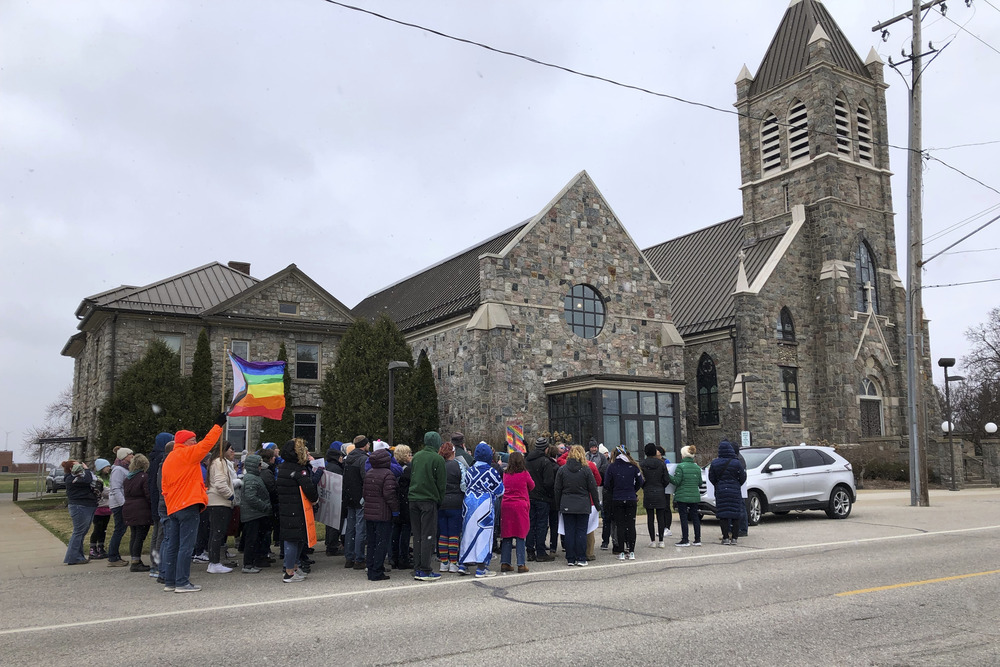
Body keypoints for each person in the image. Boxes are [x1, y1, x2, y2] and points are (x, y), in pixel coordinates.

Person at [160, 415, 226, 593]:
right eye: (193, 440)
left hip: (174, 506)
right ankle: (182, 582)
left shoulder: (170, 458)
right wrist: (218, 426)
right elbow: (207, 444)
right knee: (186, 546)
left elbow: (164, 487)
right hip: (188, 504)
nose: (196, 443)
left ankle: (170, 581)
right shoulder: (187, 454)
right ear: (185, 442)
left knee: (173, 545)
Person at [276, 438, 319, 583]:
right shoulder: (298, 470)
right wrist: (315, 499)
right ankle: (289, 571)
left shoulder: (283, 468)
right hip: (297, 508)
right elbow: (309, 489)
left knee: (295, 538)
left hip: (287, 507)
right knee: (293, 540)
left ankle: (293, 567)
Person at [459, 442, 504, 578]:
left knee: (468, 532)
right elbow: (500, 490)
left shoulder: (470, 470)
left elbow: (466, 484)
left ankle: (463, 563)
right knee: (484, 533)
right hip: (484, 503)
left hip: (469, 502)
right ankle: (481, 567)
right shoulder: (491, 471)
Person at [554, 445, 601, 567]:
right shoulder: (586, 470)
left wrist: (558, 504)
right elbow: (593, 488)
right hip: (582, 504)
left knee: (569, 532)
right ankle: (581, 557)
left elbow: (557, 489)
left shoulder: (562, 470)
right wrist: (597, 504)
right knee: (581, 531)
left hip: (567, 504)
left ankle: (570, 558)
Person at [409, 431, 446, 582]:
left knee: (417, 535)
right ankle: (425, 569)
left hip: (413, 499)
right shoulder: (437, 459)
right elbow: (441, 484)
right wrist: (439, 499)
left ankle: (417, 567)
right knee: (427, 536)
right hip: (428, 500)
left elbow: (412, 475)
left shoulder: (417, 456)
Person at [363, 445, 398, 582]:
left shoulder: (369, 473)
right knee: (381, 543)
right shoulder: (388, 474)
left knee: (371, 542)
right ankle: (377, 570)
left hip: (370, 512)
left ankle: (371, 568)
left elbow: (365, 493)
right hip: (382, 513)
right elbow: (389, 494)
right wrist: (395, 509)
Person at [604, 445, 643, 560]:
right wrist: (633, 490)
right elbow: (640, 482)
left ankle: (621, 551)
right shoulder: (633, 466)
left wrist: (615, 489)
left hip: (617, 498)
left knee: (620, 525)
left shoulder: (611, 467)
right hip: (631, 498)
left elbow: (606, 484)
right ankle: (631, 551)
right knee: (631, 524)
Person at [499, 450, 534, 573]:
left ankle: (505, 562)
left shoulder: (506, 474)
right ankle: (521, 564)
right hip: (520, 505)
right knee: (520, 534)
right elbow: (532, 485)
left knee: (507, 534)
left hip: (507, 505)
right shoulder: (524, 474)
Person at [205, 441, 236, 574]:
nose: (232, 452)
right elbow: (220, 484)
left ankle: (213, 561)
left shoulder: (214, 461)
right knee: (218, 533)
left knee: (214, 533)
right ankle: (214, 562)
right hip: (220, 502)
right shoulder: (220, 462)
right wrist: (231, 496)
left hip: (214, 501)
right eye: (230, 449)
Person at [708, 440, 747, 546]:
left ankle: (725, 537)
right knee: (735, 514)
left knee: (723, 515)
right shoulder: (736, 462)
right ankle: (734, 538)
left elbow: (711, 477)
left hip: (721, 491)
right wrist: (737, 484)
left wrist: (718, 484)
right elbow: (743, 477)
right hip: (734, 490)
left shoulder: (715, 463)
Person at [525, 437, 556, 563]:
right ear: (546, 449)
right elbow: (549, 482)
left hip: (530, 495)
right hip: (542, 497)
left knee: (531, 524)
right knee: (542, 524)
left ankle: (530, 551)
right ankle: (541, 552)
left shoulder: (527, 460)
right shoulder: (545, 462)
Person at [342, 435, 370, 570]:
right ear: (364, 445)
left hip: (349, 496)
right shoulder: (363, 459)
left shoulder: (348, 459)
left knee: (350, 528)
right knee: (360, 528)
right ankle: (359, 558)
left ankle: (349, 557)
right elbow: (365, 478)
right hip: (359, 496)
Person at [240, 454, 271, 574]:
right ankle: (248, 564)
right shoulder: (250, 479)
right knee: (251, 540)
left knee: (255, 539)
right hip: (252, 515)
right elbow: (251, 497)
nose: (260, 467)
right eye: (259, 464)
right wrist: (265, 507)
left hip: (256, 514)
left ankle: (252, 562)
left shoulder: (254, 477)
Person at [122, 453, 153, 572]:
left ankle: (135, 559)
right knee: (140, 536)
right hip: (141, 508)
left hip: (129, 507)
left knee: (134, 535)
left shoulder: (128, 478)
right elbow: (148, 494)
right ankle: (135, 561)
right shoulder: (144, 477)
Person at [437, 441, 464, 573]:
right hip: (455, 503)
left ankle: (444, 562)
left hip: (441, 502)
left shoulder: (439, 465)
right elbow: (464, 484)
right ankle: (453, 562)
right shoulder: (458, 465)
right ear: (453, 452)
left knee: (443, 534)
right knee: (454, 534)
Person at [147, 433, 172, 579]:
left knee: (157, 533)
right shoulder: (161, 459)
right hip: (161, 500)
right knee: (161, 534)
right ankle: (157, 564)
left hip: (157, 500)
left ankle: (155, 563)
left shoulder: (154, 458)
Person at [63, 460, 96, 565]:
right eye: (78, 464)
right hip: (80, 507)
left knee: (81, 533)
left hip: (86, 506)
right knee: (78, 532)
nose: (81, 466)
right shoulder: (71, 479)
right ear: (72, 468)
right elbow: (88, 479)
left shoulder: (76, 477)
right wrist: (86, 469)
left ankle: (79, 556)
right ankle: (72, 557)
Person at [106, 447, 134, 567]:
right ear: (124, 457)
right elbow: (116, 488)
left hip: (122, 502)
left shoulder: (124, 468)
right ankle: (112, 557)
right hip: (119, 504)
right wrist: (124, 503)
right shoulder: (118, 470)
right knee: (119, 529)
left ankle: (115, 556)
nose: (132, 456)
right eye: (130, 454)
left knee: (121, 529)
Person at [670, 445, 702, 547]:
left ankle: (685, 539)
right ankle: (697, 539)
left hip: (682, 495)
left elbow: (676, 481)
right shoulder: (697, 467)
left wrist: (668, 475)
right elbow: (700, 482)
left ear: (683, 455)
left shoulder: (680, 467)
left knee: (684, 517)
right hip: (694, 495)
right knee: (695, 517)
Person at [640, 443, 671, 548]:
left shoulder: (643, 464)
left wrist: (645, 486)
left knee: (650, 517)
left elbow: (640, 479)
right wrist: (661, 486)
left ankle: (652, 540)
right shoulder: (661, 464)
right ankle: (661, 540)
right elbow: (666, 479)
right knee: (661, 517)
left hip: (648, 490)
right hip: (659, 491)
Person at [391, 445, 413, 570]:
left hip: (396, 502)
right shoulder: (407, 470)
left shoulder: (393, 468)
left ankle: (394, 556)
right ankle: (403, 557)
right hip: (405, 502)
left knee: (396, 529)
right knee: (405, 531)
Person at [321, 442, 344, 556]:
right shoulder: (337, 468)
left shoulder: (327, 466)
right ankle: (332, 546)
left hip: (327, 497)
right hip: (335, 498)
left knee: (329, 523)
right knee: (335, 524)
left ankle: (329, 542)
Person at [88, 458, 112, 559]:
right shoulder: (97, 479)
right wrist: (111, 492)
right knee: (97, 528)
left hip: (107, 506)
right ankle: (92, 548)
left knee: (104, 529)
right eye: (107, 467)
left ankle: (101, 547)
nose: (109, 468)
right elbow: (102, 491)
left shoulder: (109, 478)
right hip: (99, 507)